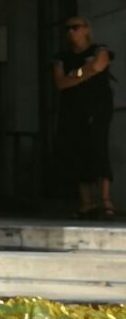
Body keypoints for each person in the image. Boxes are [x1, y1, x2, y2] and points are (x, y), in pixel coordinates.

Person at [52, 16, 115, 220]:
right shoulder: (62, 56)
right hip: (74, 110)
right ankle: (87, 203)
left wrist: (76, 75)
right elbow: (61, 82)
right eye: (67, 28)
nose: (71, 32)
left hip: (98, 107)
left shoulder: (99, 49)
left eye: (76, 27)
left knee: (99, 147)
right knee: (78, 153)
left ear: (87, 30)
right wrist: (85, 72)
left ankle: (106, 201)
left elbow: (99, 65)